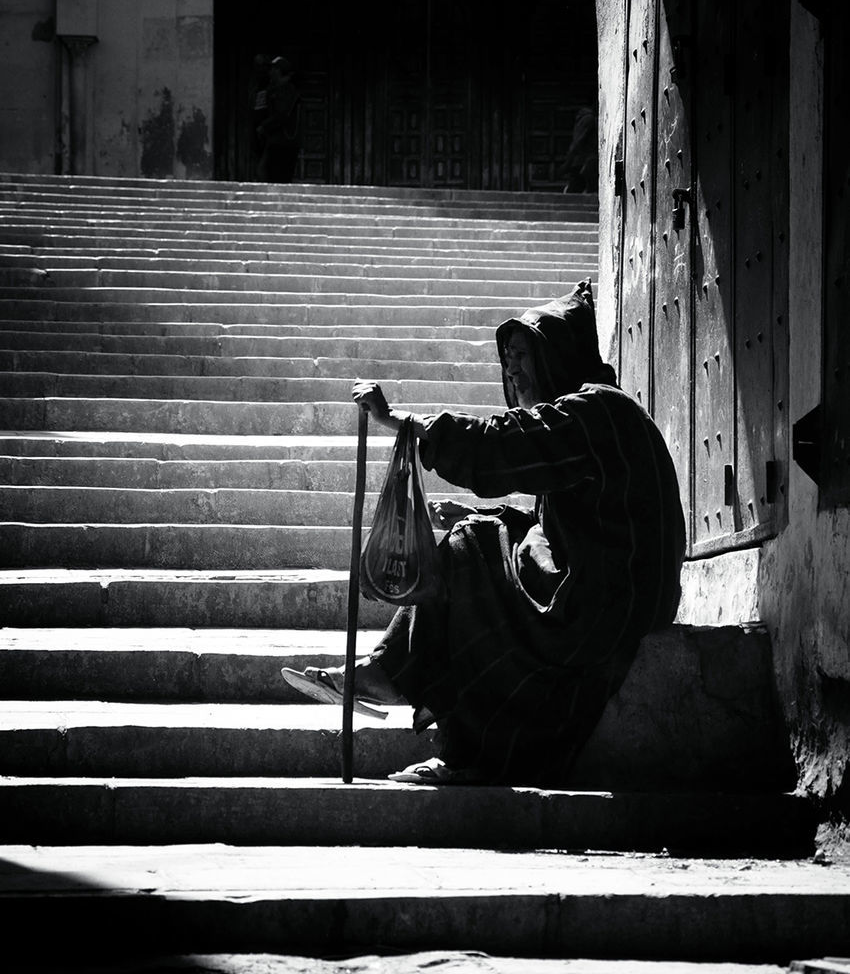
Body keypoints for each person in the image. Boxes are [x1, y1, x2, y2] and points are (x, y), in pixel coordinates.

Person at [283, 279, 686, 787]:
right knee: (481, 535)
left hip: (612, 601)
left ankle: (397, 683)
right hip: (615, 590)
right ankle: (418, 704)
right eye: (507, 358)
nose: (512, 369)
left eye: (523, 355)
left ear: (555, 355)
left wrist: (400, 421)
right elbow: (563, 527)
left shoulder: (596, 411)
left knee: (472, 547)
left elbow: (502, 447)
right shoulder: (592, 415)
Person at [256, 56, 300, 182]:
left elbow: (281, 115)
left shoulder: (285, 90)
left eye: (273, 69)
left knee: (273, 175)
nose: (270, 72)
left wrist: (264, 126)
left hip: (282, 142)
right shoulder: (277, 89)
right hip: (279, 141)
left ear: (279, 71)